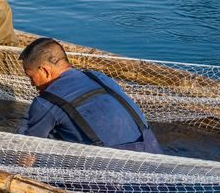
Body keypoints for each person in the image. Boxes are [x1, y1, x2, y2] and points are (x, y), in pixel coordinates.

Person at [17, 37, 162, 153]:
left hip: (113, 176)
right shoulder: (98, 77)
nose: (32, 84)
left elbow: (29, 153)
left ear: (45, 70)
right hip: (153, 155)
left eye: (31, 77)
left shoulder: (45, 102)